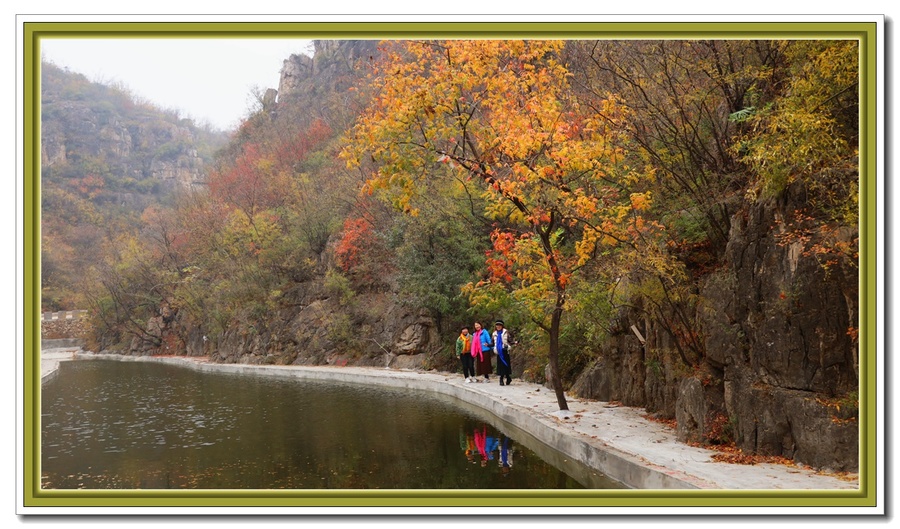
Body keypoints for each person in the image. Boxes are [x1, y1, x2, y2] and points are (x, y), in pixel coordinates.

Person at [492, 320, 513, 386]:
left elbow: (510, 340)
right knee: (500, 366)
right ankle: (501, 379)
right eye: (497, 325)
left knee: (506, 365)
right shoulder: (494, 334)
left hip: (505, 350)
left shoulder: (506, 332)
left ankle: (508, 377)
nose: (498, 326)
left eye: (500, 325)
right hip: (498, 351)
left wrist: (514, 343)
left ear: (502, 326)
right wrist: (488, 344)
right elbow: (492, 343)